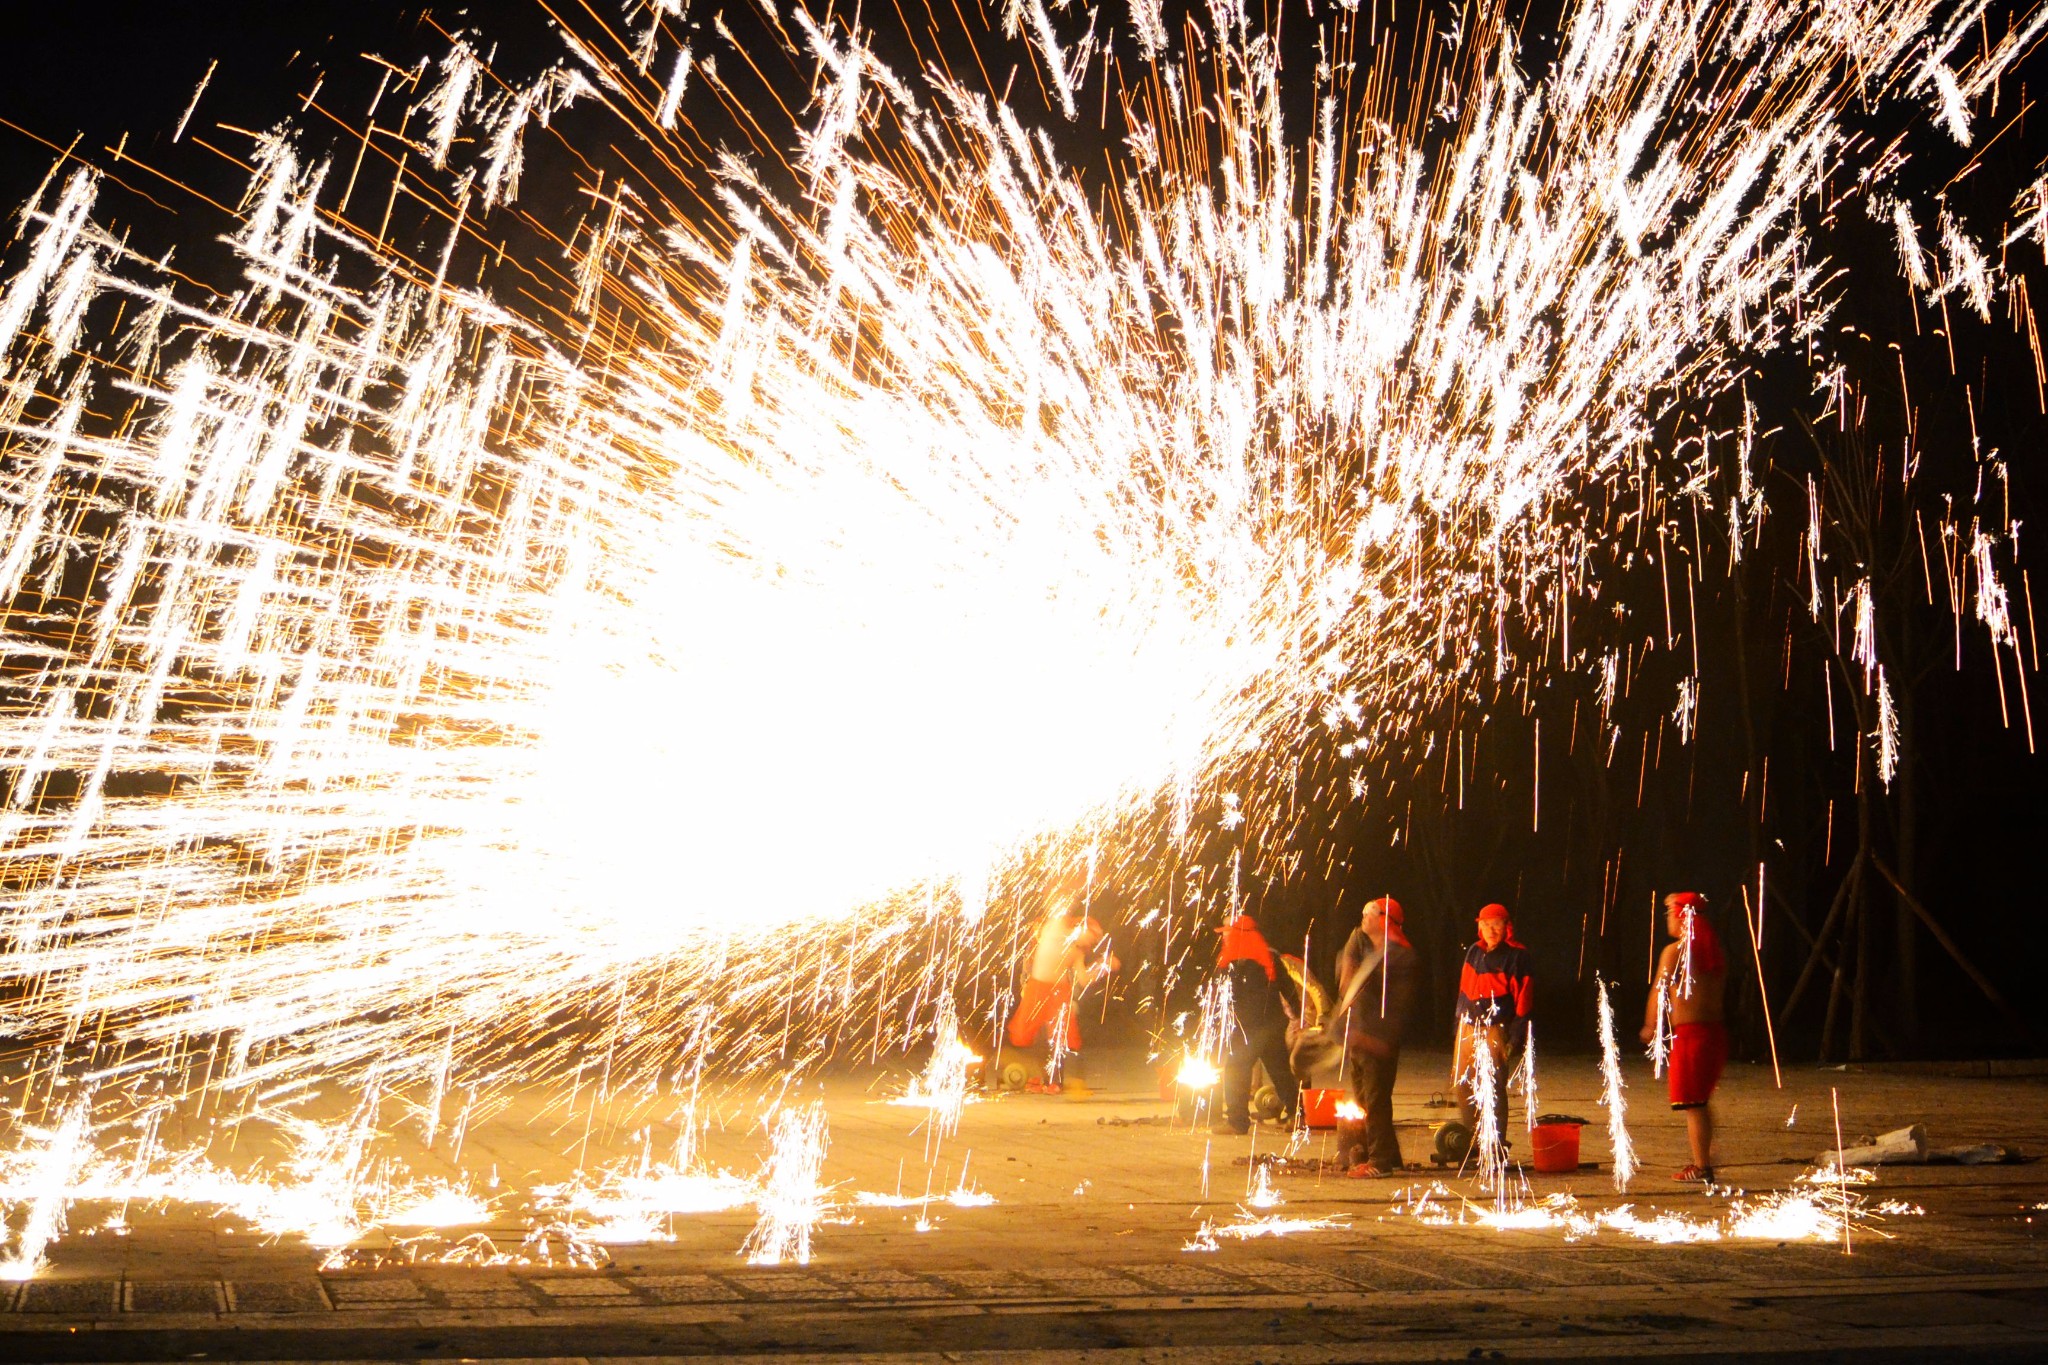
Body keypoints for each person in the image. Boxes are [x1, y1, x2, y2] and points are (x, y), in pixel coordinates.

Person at [1640, 890, 1727, 1184]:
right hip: (1714, 1034)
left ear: (1681, 916)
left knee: (1693, 1104)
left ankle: (1702, 1166)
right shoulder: (1711, 949)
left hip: (1692, 1036)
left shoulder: (1676, 951)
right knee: (1700, 1101)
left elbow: (1659, 991)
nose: (1666, 918)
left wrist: (1651, 1025)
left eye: (1669, 912)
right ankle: (1706, 1158)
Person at [1335, 895, 1418, 1176]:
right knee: (1364, 1099)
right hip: (1359, 1033)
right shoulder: (1364, 945)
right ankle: (1389, 1155)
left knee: (1375, 1100)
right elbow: (1346, 983)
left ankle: (1380, 1162)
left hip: (1377, 1039)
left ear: (1385, 920)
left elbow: (1399, 1006)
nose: (1364, 917)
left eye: (1370, 913)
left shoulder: (1401, 956)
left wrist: (1379, 1037)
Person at [1005, 869, 1117, 1069]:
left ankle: (1056, 1074)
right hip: (1037, 988)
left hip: (1059, 992)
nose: (1091, 942)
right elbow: (1059, 900)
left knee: (1064, 1037)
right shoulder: (1056, 927)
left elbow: (1083, 979)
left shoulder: (1076, 952)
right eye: (1091, 936)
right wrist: (1078, 881)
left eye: (1094, 941)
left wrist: (1103, 966)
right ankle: (1028, 1068)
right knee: (1022, 1034)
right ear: (1080, 928)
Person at [1453, 902, 1534, 1149]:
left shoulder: (1517, 956)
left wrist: (1515, 1037)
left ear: (1506, 927)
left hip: (1494, 1028)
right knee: (1463, 1083)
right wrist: (1458, 1024)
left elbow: (1524, 1000)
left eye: (1496, 924)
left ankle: (1495, 1143)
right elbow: (1464, 990)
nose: (1491, 930)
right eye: (1486, 925)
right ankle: (1473, 1139)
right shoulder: (1474, 952)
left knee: (1492, 1085)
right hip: (1468, 1026)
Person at [1212, 912, 1300, 1135]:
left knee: (1235, 1070)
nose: (1224, 937)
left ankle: (1237, 1121)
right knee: (1280, 1070)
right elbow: (1288, 987)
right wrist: (1297, 1014)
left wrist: (1216, 1023)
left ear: (1238, 934)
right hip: (1272, 1024)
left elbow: (1222, 997)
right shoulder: (1269, 957)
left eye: (1227, 932)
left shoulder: (1231, 961)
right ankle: (1298, 1116)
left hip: (1245, 1028)